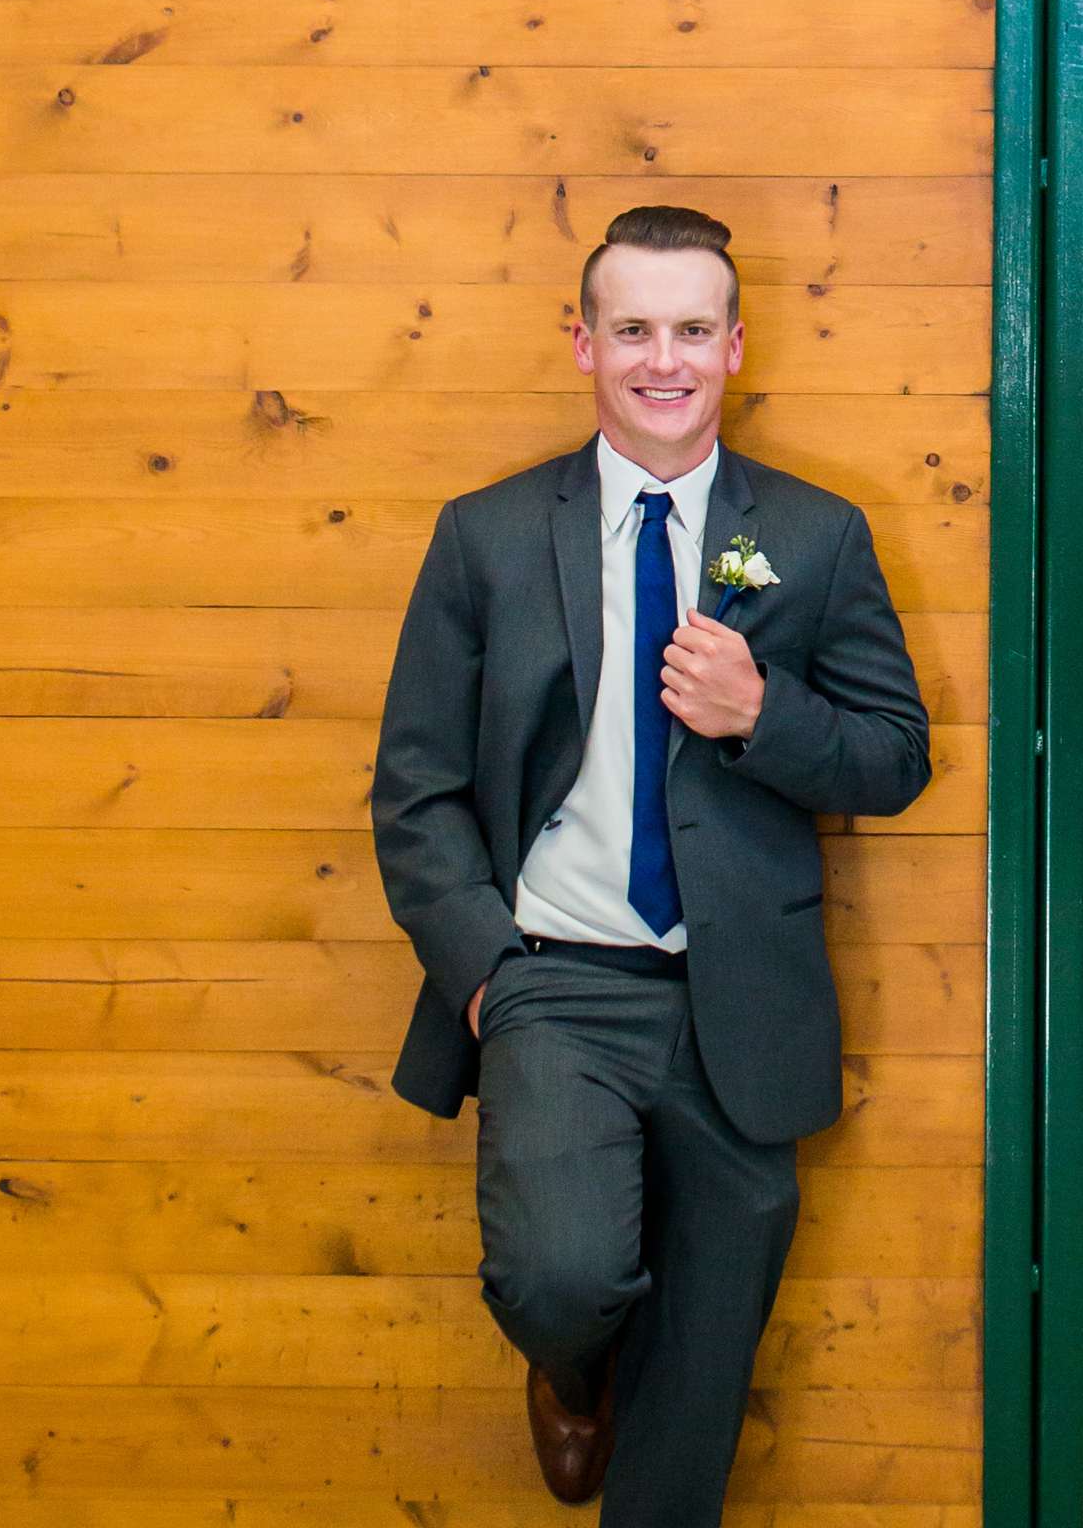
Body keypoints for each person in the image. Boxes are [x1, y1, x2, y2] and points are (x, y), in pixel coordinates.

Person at [371, 204, 931, 1525]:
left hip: (744, 996)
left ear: (736, 346)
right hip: (553, 989)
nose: (662, 359)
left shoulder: (820, 534)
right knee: (564, 1278)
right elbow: (416, 788)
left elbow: (894, 757)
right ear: (583, 345)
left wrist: (763, 717)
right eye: (632, 330)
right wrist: (484, 978)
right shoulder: (488, 537)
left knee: (701, 1380)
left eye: (691, 329)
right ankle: (571, 1373)